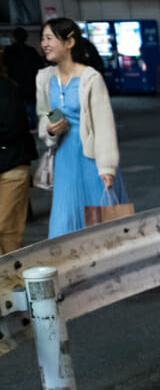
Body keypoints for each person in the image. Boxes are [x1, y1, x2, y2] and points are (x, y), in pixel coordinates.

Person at [36, 18, 127, 238]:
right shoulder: (44, 78)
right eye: (43, 39)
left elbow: (103, 125)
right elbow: (45, 111)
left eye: (50, 38)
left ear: (69, 42)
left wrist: (107, 167)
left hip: (92, 157)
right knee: (65, 218)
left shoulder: (90, 78)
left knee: (101, 219)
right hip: (65, 156)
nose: (44, 44)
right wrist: (51, 128)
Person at [0, 62, 35, 254]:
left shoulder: (6, 90)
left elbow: (13, 126)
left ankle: (13, 279)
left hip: (12, 164)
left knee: (6, 228)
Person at [4, 27, 44, 129]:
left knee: (21, 110)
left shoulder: (9, 51)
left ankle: (28, 127)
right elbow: (39, 66)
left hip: (16, 86)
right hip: (30, 86)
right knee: (34, 108)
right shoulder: (30, 51)